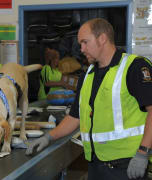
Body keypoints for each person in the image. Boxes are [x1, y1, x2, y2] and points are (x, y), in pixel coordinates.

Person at [26, 18, 152, 180]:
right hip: (95, 165)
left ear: (102, 38)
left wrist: (143, 153)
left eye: (85, 42)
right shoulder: (88, 75)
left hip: (128, 166)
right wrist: (48, 137)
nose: (81, 49)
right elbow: (74, 117)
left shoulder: (133, 67)